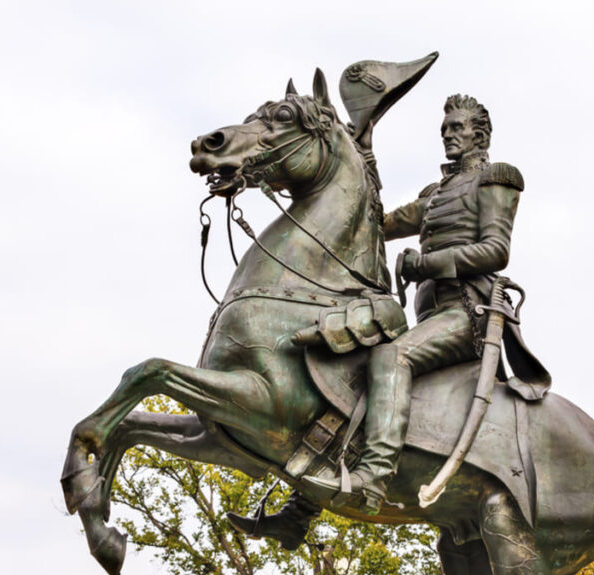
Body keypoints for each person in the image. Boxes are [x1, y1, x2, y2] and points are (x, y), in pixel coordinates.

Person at [230, 93, 549, 544]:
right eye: (444, 130)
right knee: (351, 376)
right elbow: (375, 219)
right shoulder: (435, 196)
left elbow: (497, 250)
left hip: (469, 314)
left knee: (390, 359)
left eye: (457, 129)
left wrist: (426, 265)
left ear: (479, 135)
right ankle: (300, 512)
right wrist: (361, 156)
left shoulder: (496, 179)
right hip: (431, 316)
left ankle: (374, 475)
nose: (448, 137)